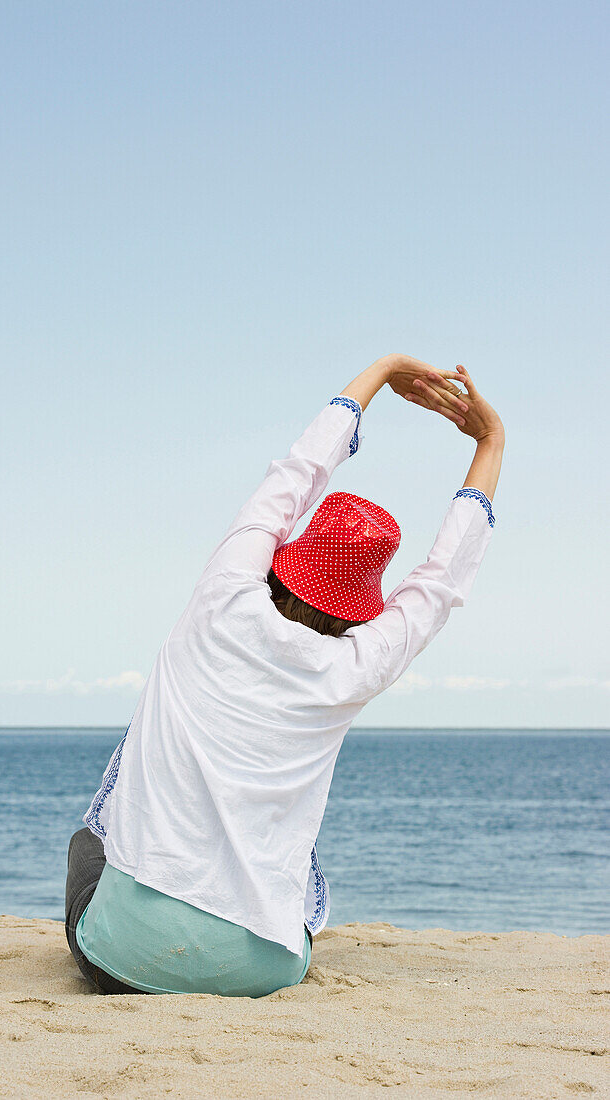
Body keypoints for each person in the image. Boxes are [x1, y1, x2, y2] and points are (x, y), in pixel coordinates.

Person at [65, 353, 505, 998]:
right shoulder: (356, 665)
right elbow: (440, 582)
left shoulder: (223, 598)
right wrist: (490, 443)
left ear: (285, 558)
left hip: (122, 957)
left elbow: (296, 474)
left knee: (89, 842)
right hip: (264, 972)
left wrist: (379, 374)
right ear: (365, 600)